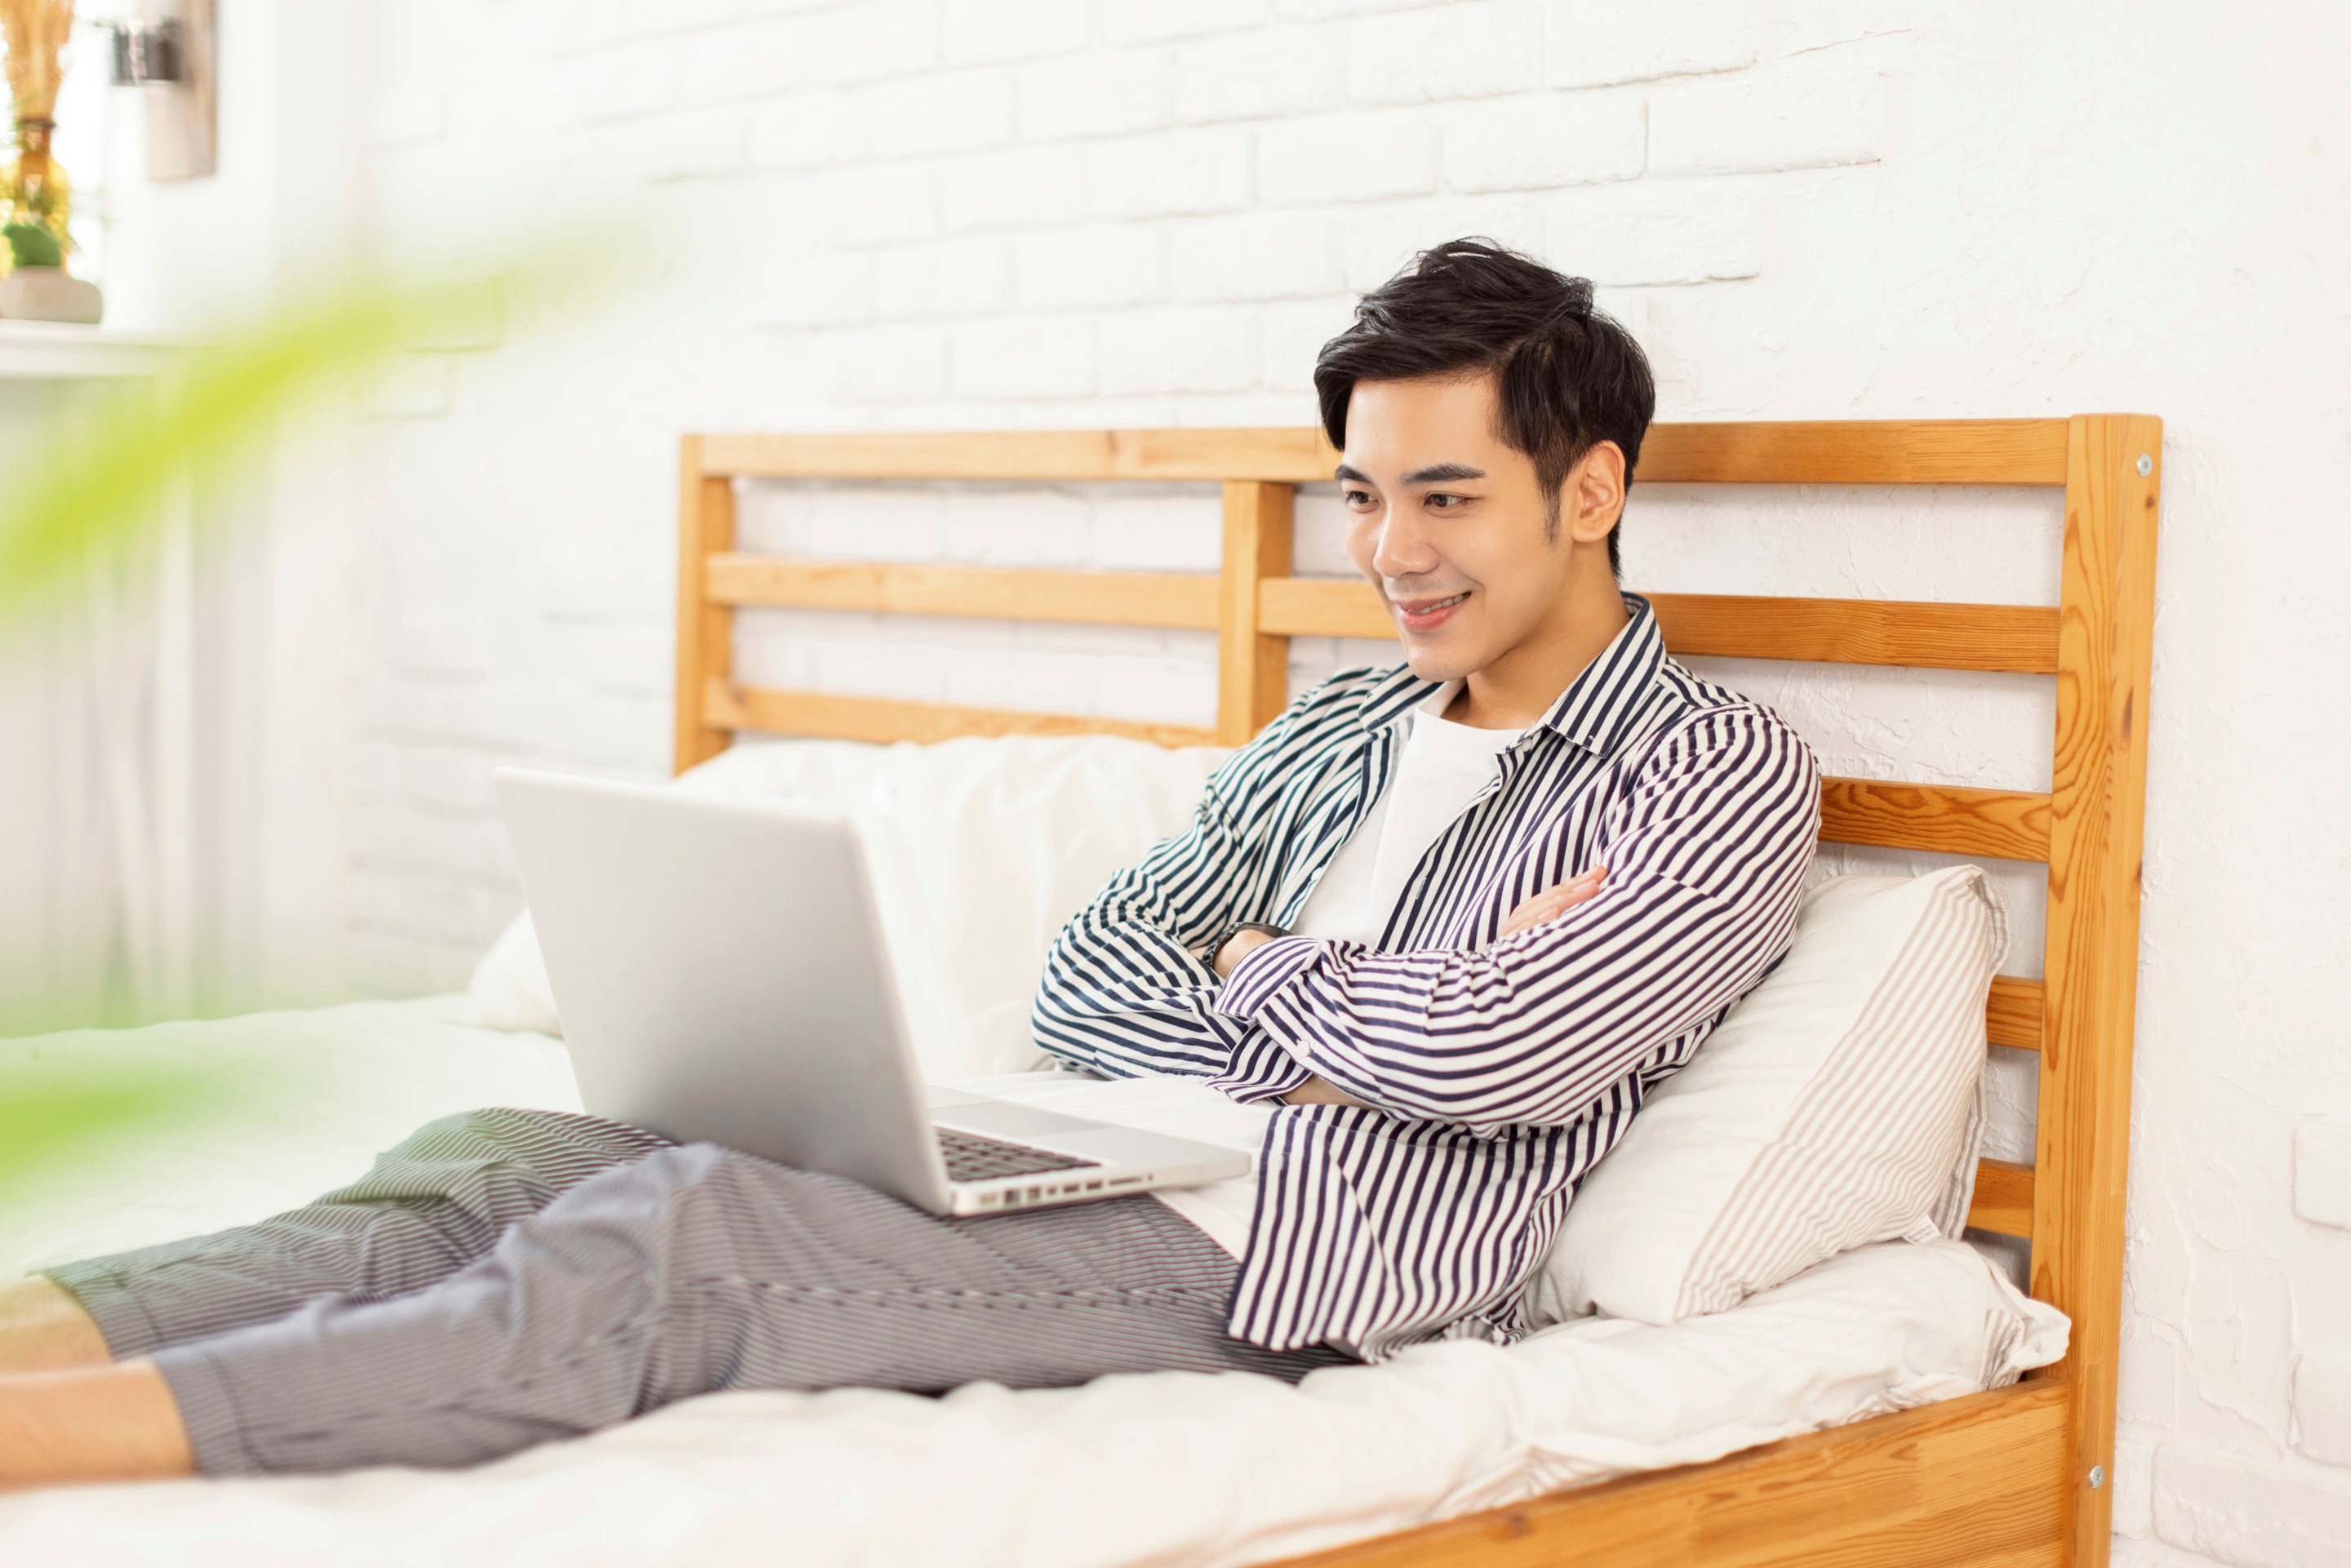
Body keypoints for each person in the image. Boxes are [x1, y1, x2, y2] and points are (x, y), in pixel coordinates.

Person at [0, 240, 1819, 1487]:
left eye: (1446, 497)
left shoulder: (1715, 771)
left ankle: (45, 1445)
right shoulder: (1345, 729)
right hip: (1092, 1142)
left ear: (1589, 493)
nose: (1389, 550)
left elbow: (1494, 1058)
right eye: (1363, 493)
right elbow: (1091, 973)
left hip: (1287, 1256)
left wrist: (1256, 965)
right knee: (501, 1154)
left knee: (677, 1244)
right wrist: (1335, 993)